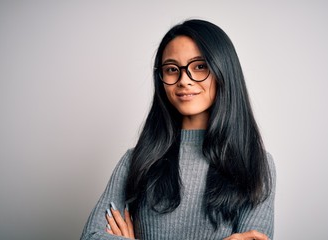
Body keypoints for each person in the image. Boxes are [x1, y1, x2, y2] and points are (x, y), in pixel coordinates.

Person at [81, 19, 276, 240]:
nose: (184, 80)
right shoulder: (137, 159)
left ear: (224, 71)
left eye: (200, 66)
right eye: (172, 69)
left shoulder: (255, 164)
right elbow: (91, 236)